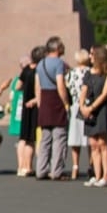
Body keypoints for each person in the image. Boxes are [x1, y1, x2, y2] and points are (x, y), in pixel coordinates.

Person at [34, 36, 70, 180]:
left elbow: (37, 86)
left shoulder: (40, 63)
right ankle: (56, 171)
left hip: (44, 101)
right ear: (57, 48)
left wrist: (39, 103)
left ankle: (41, 169)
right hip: (56, 101)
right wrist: (66, 102)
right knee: (59, 137)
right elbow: (60, 84)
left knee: (45, 138)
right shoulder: (59, 63)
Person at [79, 45, 107, 187]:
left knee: (103, 144)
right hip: (88, 109)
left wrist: (92, 107)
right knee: (93, 144)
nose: (90, 56)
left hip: (101, 110)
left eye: (92, 54)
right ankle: (96, 174)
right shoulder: (89, 73)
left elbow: (105, 94)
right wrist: (82, 107)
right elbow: (83, 90)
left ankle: (106, 176)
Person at [65, 49, 91, 180]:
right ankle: (91, 166)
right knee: (90, 138)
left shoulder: (71, 73)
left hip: (75, 105)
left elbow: (67, 87)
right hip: (88, 106)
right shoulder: (90, 72)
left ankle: (75, 166)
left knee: (75, 139)